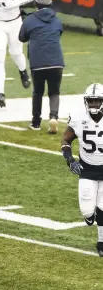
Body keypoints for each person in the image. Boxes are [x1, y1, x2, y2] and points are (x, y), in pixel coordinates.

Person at [61, 83, 103, 257]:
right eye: (90, 101)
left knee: (102, 208)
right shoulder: (78, 116)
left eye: (96, 100)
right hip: (87, 168)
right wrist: (70, 160)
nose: (93, 104)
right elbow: (66, 140)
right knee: (87, 211)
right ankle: (90, 214)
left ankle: (101, 241)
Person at [19, 0, 64, 133]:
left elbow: (22, 38)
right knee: (54, 92)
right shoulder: (57, 19)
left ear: (35, 3)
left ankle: (36, 122)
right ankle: (54, 117)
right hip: (57, 60)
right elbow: (59, 32)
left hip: (37, 62)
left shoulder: (30, 20)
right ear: (50, 3)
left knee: (38, 92)